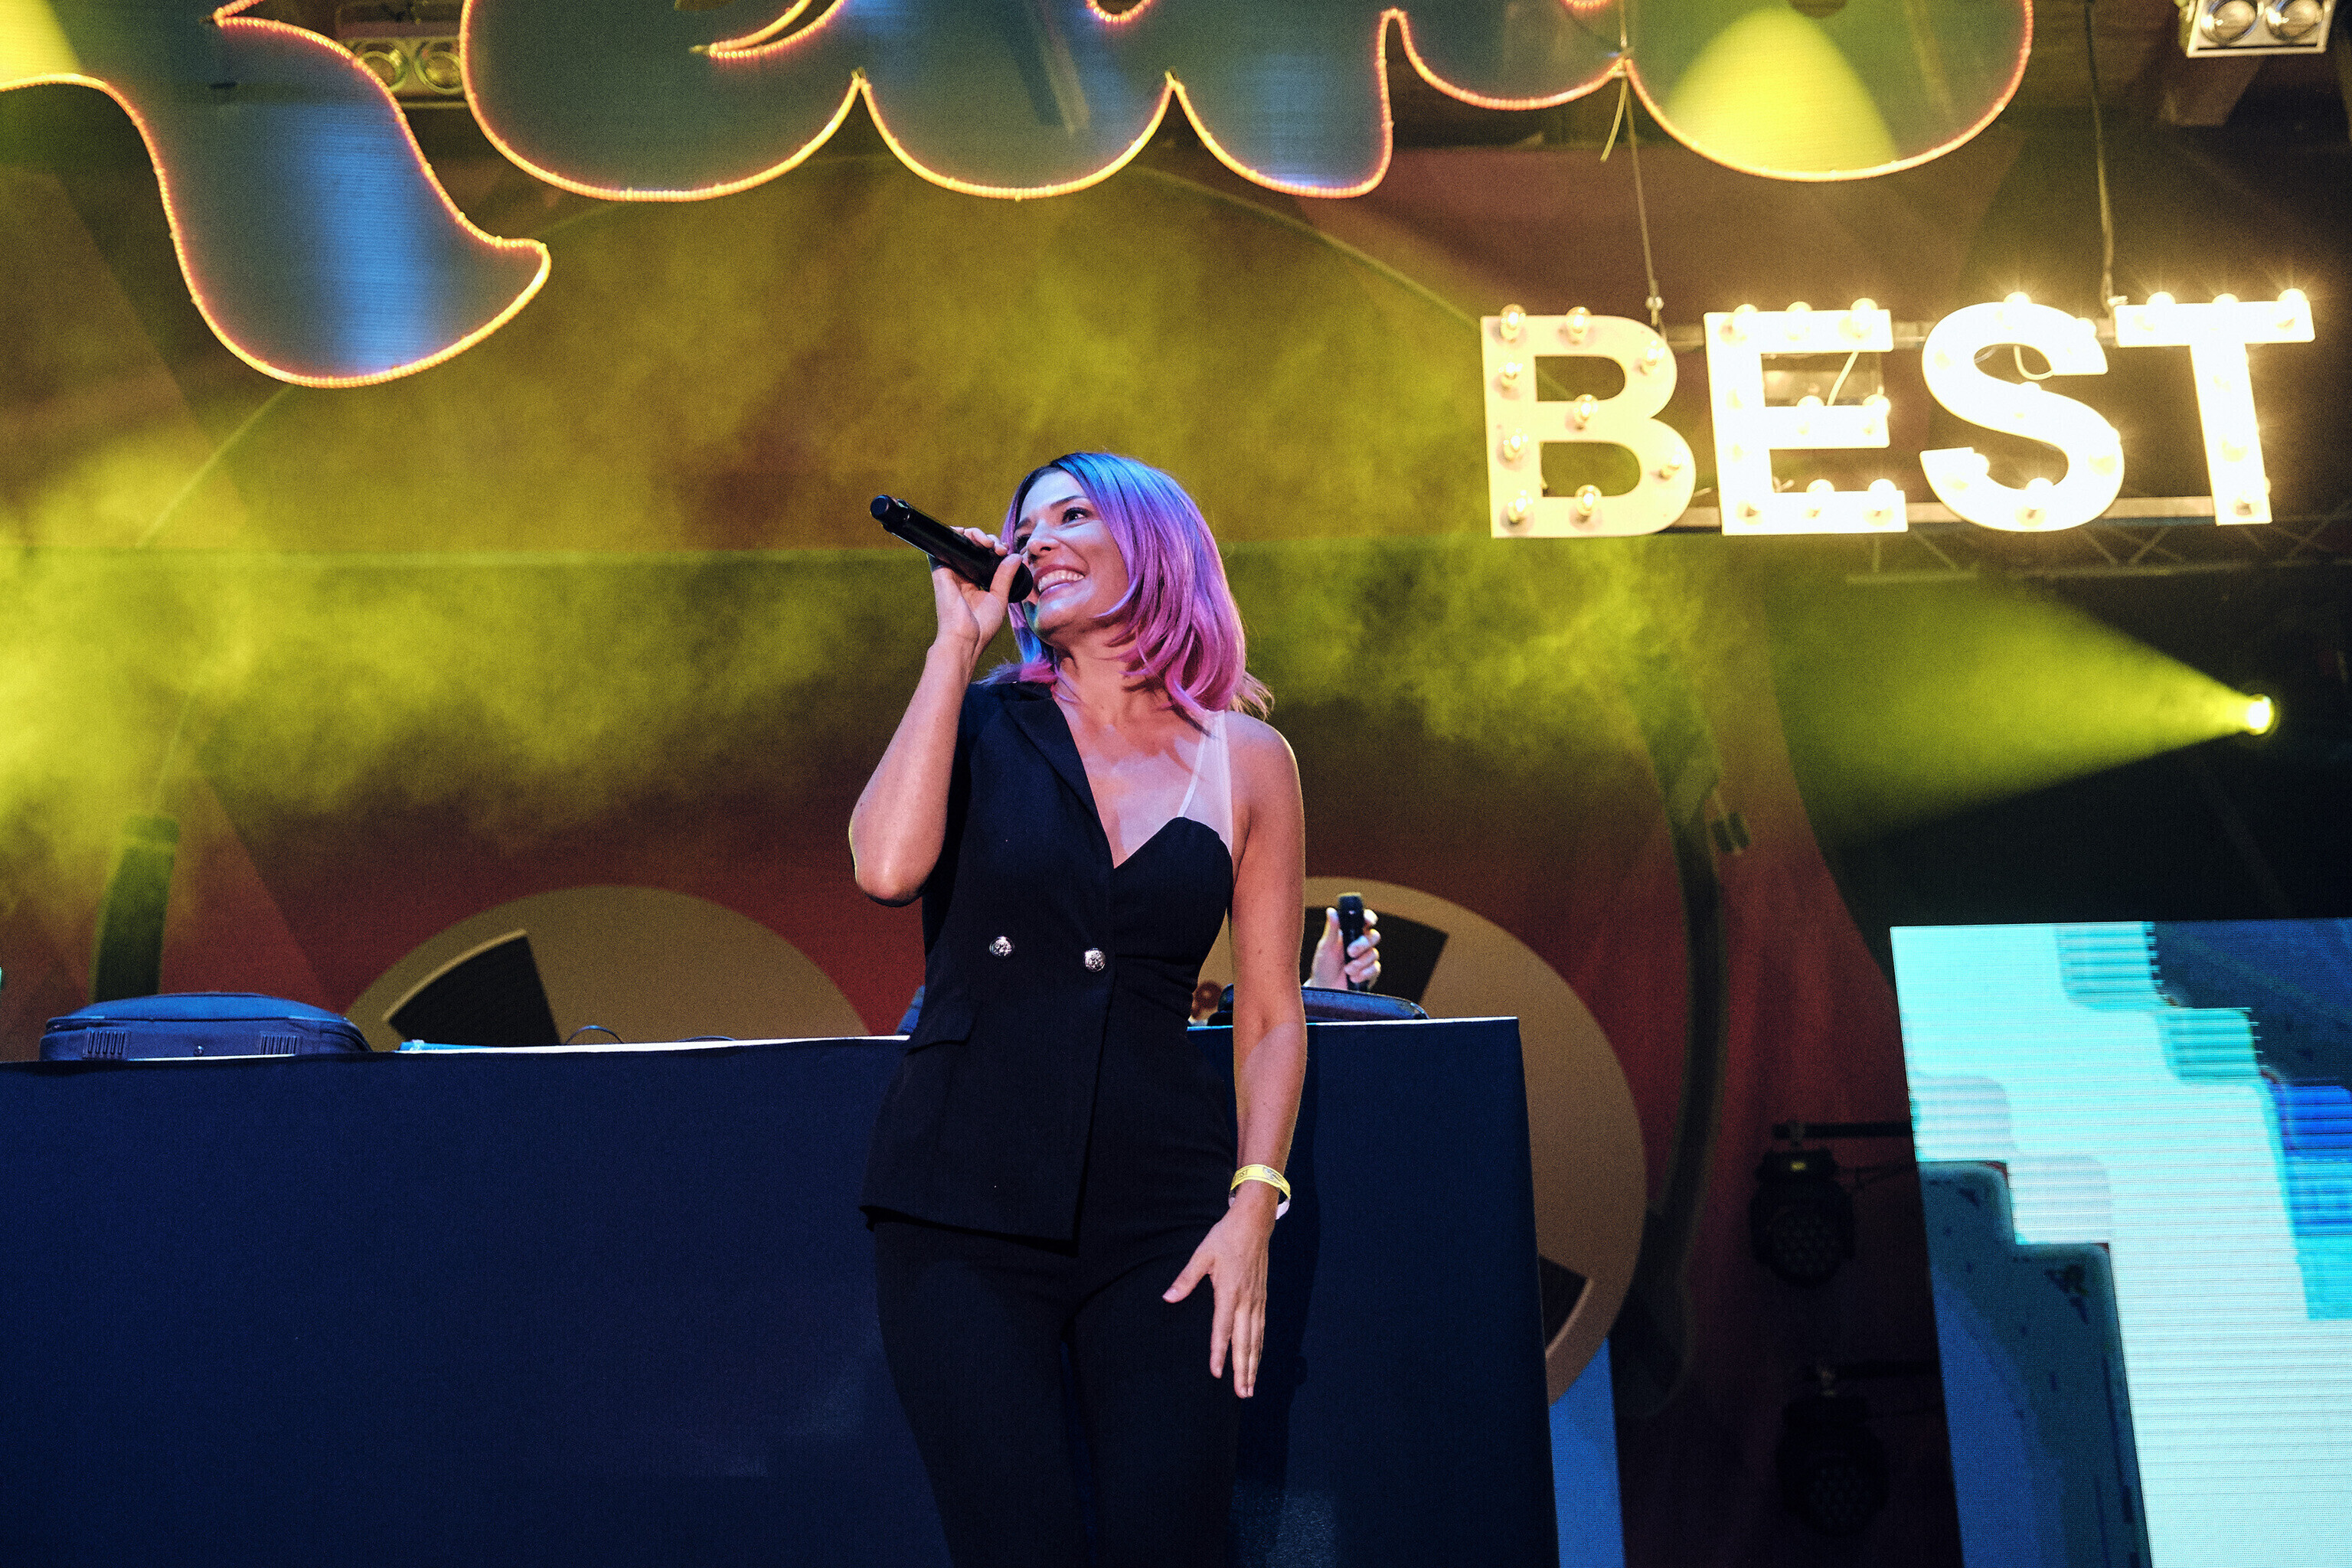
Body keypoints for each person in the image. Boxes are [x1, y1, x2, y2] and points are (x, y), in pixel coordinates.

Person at [849, 453, 1327, 1567]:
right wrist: (953, 645)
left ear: (1153, 542)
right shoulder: (983, 720)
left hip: (1162, 1211)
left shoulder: (1247, 759)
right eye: (1027, 529)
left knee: (1175, 1539)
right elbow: (884, 868)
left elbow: (1271, 1015)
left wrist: (1253, 1207)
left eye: (1071, 515)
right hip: (962, 1199)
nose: (1040, 542)